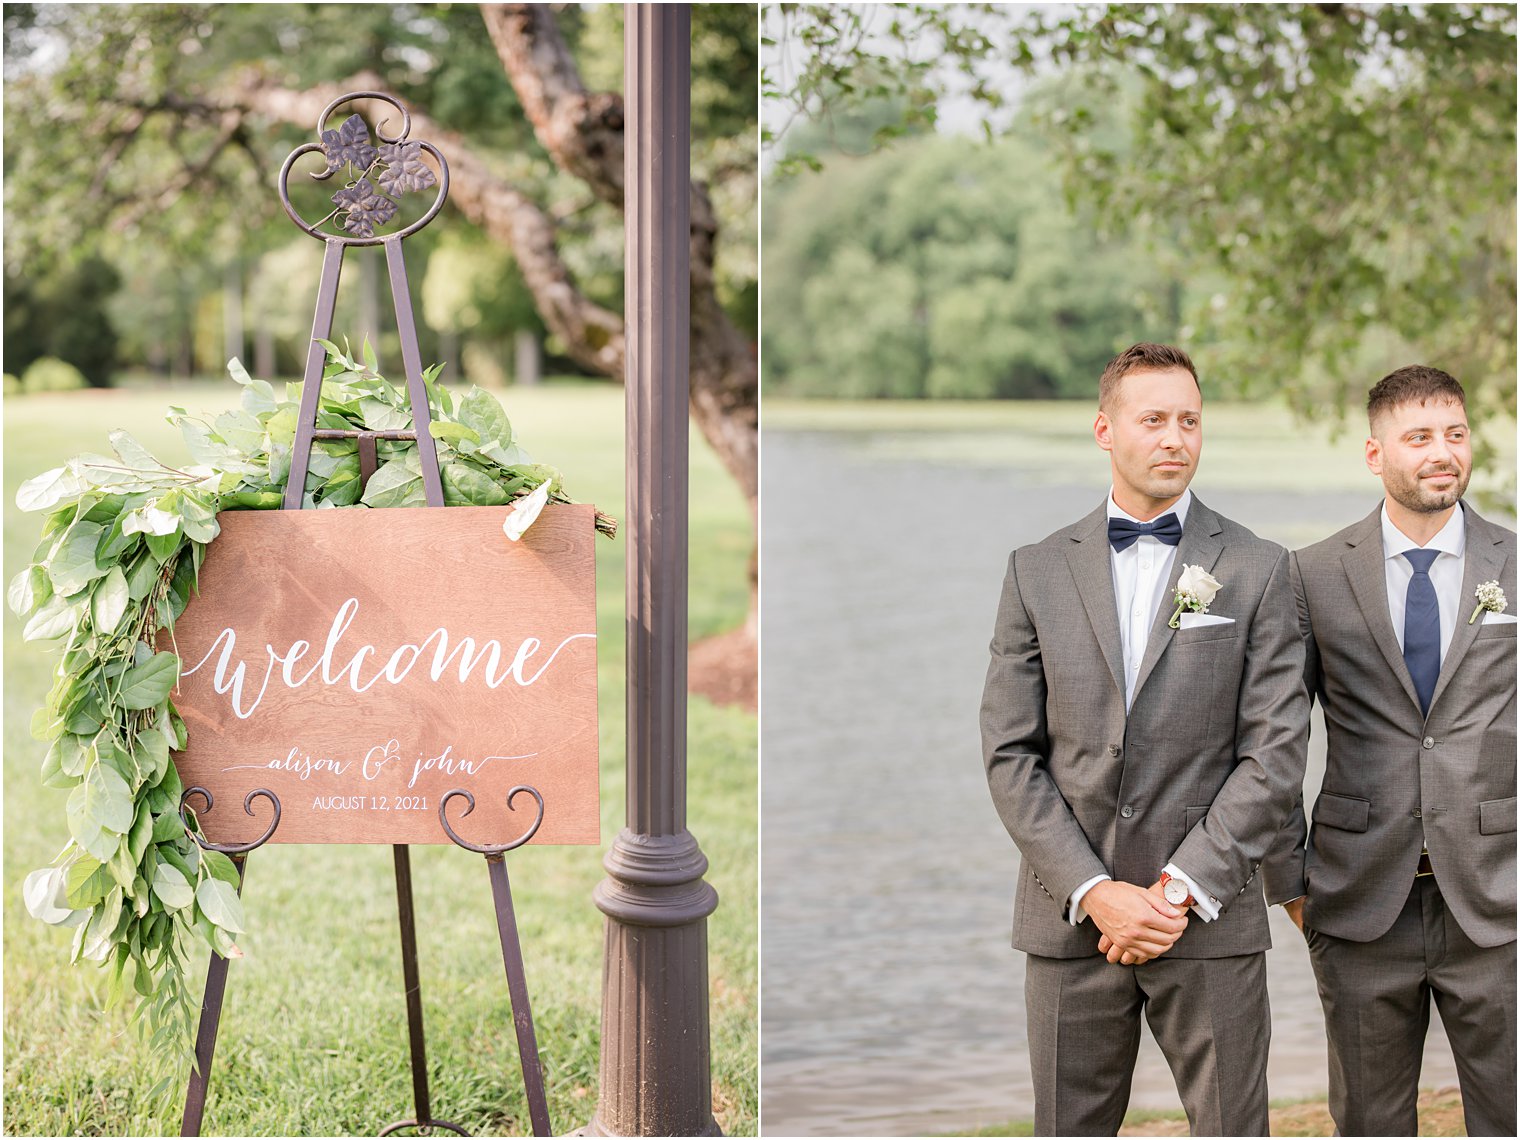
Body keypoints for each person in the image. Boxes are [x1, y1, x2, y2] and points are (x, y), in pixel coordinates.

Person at [979, 342, 1307, 1137]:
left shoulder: (1260, 568)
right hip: (1071, 919)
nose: (1174, 438)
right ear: (1105, 430)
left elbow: (1275, 754)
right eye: (1153, 419)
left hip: (1208, 914)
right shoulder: (1035, 570)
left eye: (1189, 420)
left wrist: (1173, 893)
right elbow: (1010, 754)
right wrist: (1095, 892)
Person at [1262, 365, 1516, 1137]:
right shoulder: (1310, 574)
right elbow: (1275, 736)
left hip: (1500, 901)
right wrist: (1289, 884)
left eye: (1454, 434)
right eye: (1419, 438)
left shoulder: (1515, 562)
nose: (1442, 453)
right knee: (1370, 1122)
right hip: (1358, 904)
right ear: (1376, 454)